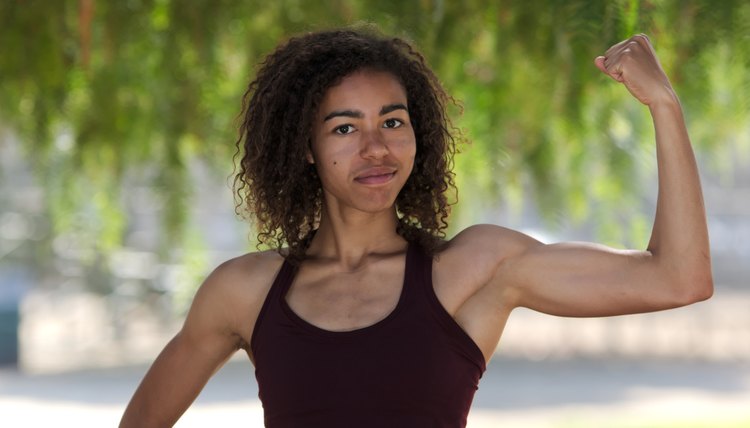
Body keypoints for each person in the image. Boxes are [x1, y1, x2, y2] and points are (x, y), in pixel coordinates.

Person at [120, 27, 712, 428]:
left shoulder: (477, 270)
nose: (377, 148)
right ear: (304, 147)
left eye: (393, 121)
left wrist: (664, 106)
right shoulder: (243, 291)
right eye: (345, 129)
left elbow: (677, 279)